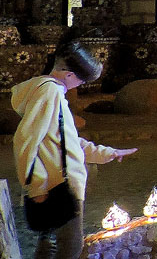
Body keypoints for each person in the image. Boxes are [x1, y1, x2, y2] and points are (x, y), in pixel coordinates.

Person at [13, 41, 137, 259]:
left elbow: (67, 140)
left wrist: (108, 153)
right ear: (69, 74)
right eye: (81, 79)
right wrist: (36, 186)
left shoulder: (52, 92)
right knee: (69, 247)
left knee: (51, 246)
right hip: (57, 185)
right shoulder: (49, 92)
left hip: (58, 184)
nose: (80, 85)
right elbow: (26, 141)